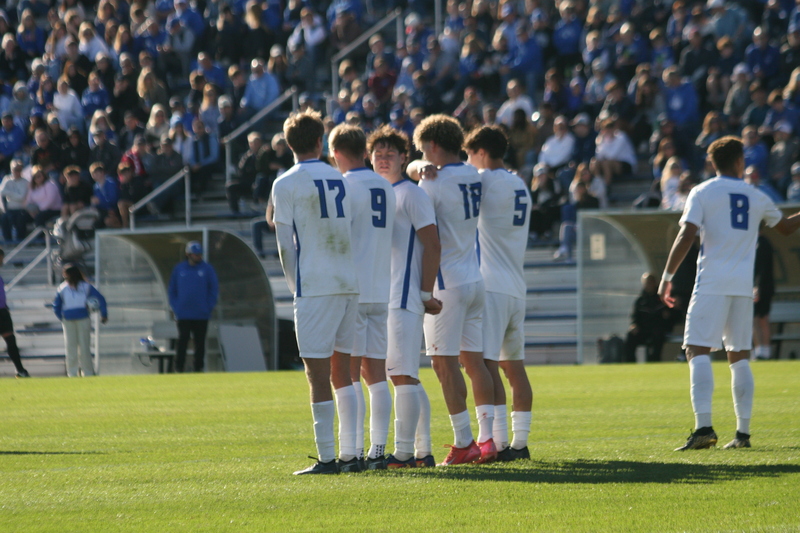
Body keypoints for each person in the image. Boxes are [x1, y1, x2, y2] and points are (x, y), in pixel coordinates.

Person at [658, 136, 800, 451]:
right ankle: (743, 435)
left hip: (711, 282)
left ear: (712, 163)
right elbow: (787, 227)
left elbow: (687, 233)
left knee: (696, 349)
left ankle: (704, 428)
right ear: (740, 162)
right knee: (739, 356)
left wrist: (667, 276)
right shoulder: (755, 194)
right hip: (741, 286)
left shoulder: (703, 191)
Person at [270, 110, 360, 475]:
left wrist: (295, 284)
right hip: (348, 281)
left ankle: (327, 458)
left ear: (288, 145)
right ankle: (352, 454)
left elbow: (284, 245)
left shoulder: (285, 182)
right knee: (344, 371)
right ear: (320, 141)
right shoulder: (341, 179)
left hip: (316, 285)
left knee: (317, 372)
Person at [407, 115, 495, 465]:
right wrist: (418, 165)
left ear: (432, 146)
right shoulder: (472, 174)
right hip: (473, 276)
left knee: (443, 365)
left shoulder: (435, 182)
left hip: (447, 283)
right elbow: (417, 169)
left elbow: (424, 228)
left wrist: (426, 290)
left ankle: (463, 442)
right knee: (474, 362)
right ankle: (487, 440)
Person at [367, 125, 441, 468]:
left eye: (390, 154)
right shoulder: (372, 192)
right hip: (382, 295)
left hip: (404, 295)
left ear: (403, 157)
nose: (383, 159)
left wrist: (425, 292)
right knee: (404, 375)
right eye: (378, 154)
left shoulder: (411, 195)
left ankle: (402, 453)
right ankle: (421, 451)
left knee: (401, 375)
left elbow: (432, 244)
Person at [464, 125, 533, 461]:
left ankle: (495, 441)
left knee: (487, 365)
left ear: (479, 151)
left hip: (491, 284)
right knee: (514, 367)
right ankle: (520, 444)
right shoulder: (520, 183)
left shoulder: (483, 180)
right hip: (516, 285)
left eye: (468, 154)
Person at [330, 124, 396, 470]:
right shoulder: (386, 187)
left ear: (338, 152)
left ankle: (351, 452)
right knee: (378, 375)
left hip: (352, 289)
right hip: (380, 288)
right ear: (365, 152)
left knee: (350, 373)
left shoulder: (343, 185)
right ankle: (378, 450)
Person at [168, 241, 218, 373]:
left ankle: (198, 368)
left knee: (200, 343)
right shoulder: (179, 269)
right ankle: (179, 367)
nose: (198, 257)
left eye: (200, 254)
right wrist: (176, 307)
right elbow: (172, 290)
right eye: (196, 254)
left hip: (201, 314)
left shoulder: (207, 269)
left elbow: (213, 290)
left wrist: (208, 307)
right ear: (188, 254)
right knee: (183, 340)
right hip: (183, 314)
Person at [53, 263, 108, 377]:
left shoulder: (86, 286)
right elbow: (56, 305)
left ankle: (87, 372)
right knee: (70, 347)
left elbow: (100, 298)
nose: (64, 276)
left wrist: (104, 314)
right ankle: (72, 373)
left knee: (84, 347)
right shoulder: (62, 288)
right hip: (68, 320)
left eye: (66, 274)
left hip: (83, 318)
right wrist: (62, 317)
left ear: (72, 274)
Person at [624, 273, 671, 363]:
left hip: (657, 329)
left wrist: (668, 316)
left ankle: (653, 361)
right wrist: (634, 325)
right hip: (643, 329)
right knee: (631, 336)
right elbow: (635, 316)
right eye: (646, 283)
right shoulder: (641, 301)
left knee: (657, 337)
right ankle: (629, 362)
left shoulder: (662, 299)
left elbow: (672, 315)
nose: (648, 285)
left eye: (650, 282)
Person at [0, 248, 29, 377]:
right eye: (1, 257)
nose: (2, 260)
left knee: (11, 341)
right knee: (10, 341)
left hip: (2, 312)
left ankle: (20, 370)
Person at [753, 233, 775, 361]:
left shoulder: (762, 243)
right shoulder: (754, 242)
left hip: (763, 288)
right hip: (758, 287)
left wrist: (757, 286)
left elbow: (762, 269)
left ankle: (764, 350)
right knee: (755, 319)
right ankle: (759, 350)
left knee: (762, 318)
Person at [0, 159, 30, 242]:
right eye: (16, 170)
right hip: (9, 209)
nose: (18, 172)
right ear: (11, 170)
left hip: (21, 209)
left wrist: (9, 193)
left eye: (20, 170)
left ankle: (20, 241)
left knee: (20, 220)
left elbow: (21, 197)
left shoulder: (25, 182)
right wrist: (15, 194)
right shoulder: (7, 179)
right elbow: (2, 192)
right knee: (4, 219)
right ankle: (8, 241)